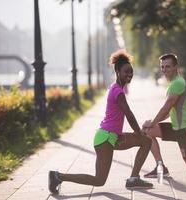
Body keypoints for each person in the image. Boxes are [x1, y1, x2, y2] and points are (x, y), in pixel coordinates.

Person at [48, 49, 153, 194]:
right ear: (117, 71)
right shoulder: (118, 92)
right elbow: (129, 114)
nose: (129, 75)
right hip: (105, 138)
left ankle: (134, 178)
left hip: (112, 136)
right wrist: (138, 132)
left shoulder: (115, 88)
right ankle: (58, 176)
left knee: (146, 141)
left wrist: (138, 135)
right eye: (126, 71)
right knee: (99, 180)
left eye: (131, 72)